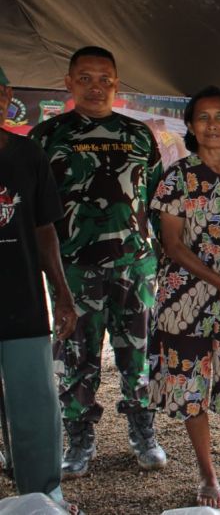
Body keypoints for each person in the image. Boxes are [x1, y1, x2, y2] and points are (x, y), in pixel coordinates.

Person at [29, 46, 167, 478]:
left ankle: (144, 430)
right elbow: (35, 211)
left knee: (139, 355)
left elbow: (158, 200)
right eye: (85, 77)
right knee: (76, 355)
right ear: (68, 83)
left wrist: (159, 258)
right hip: (73, 270)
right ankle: (79, 437)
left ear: (117, 83)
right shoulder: (46, 136)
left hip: (135, 268)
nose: (95, 86)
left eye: (104, 78)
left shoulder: (140, 135)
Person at [147, 86, 220, 510]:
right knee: (190, 384)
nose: (212, 125)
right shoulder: (177, 177)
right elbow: (173, 245)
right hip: (185, 297)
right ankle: (207, 473)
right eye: (203, 117)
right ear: (191, 127)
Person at [0, 65, 80, 513]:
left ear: (5, 95)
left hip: (23, 304)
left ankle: (42, 495)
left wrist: (62, 293)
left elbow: (45, 228)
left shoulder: (29, 155)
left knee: (34, 403)